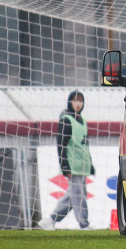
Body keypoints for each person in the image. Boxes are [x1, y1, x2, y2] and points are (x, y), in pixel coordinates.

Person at [40, 90, 94, 230]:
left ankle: (50, 219)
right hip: (72, 164)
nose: (78, 103)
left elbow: (85, 144)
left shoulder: (83, 121)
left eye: (80, 101)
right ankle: (84, 224)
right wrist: (64, 166)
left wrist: (90, 164)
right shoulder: (66, 120)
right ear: (70, 102)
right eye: (75, 100)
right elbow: (61, 144)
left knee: (73, 196)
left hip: (82, 165)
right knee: (78, 196)